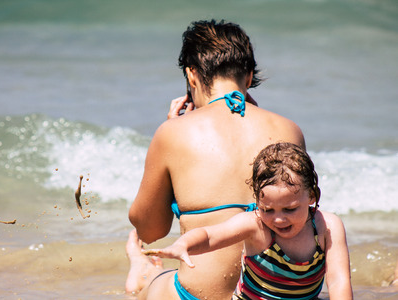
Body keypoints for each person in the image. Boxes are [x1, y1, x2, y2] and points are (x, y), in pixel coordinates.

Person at [126, 20, 306, 300]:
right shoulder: (289, 129)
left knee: (152, 285)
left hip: (199, 296)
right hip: (278, 296)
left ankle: (142, 272)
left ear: (192, 76)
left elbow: (150, 229)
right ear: (248, 77)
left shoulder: (173, 133)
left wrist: (169, 137)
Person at [144, 142, 353, 300]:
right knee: (142, 284)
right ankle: (143, 267)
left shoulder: (327, 227)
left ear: (312, 197)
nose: (279, 219)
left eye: (290, 209)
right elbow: (210, 235)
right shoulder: (256, 226)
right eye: (267, 209)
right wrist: (184, 244)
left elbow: (338, 281)